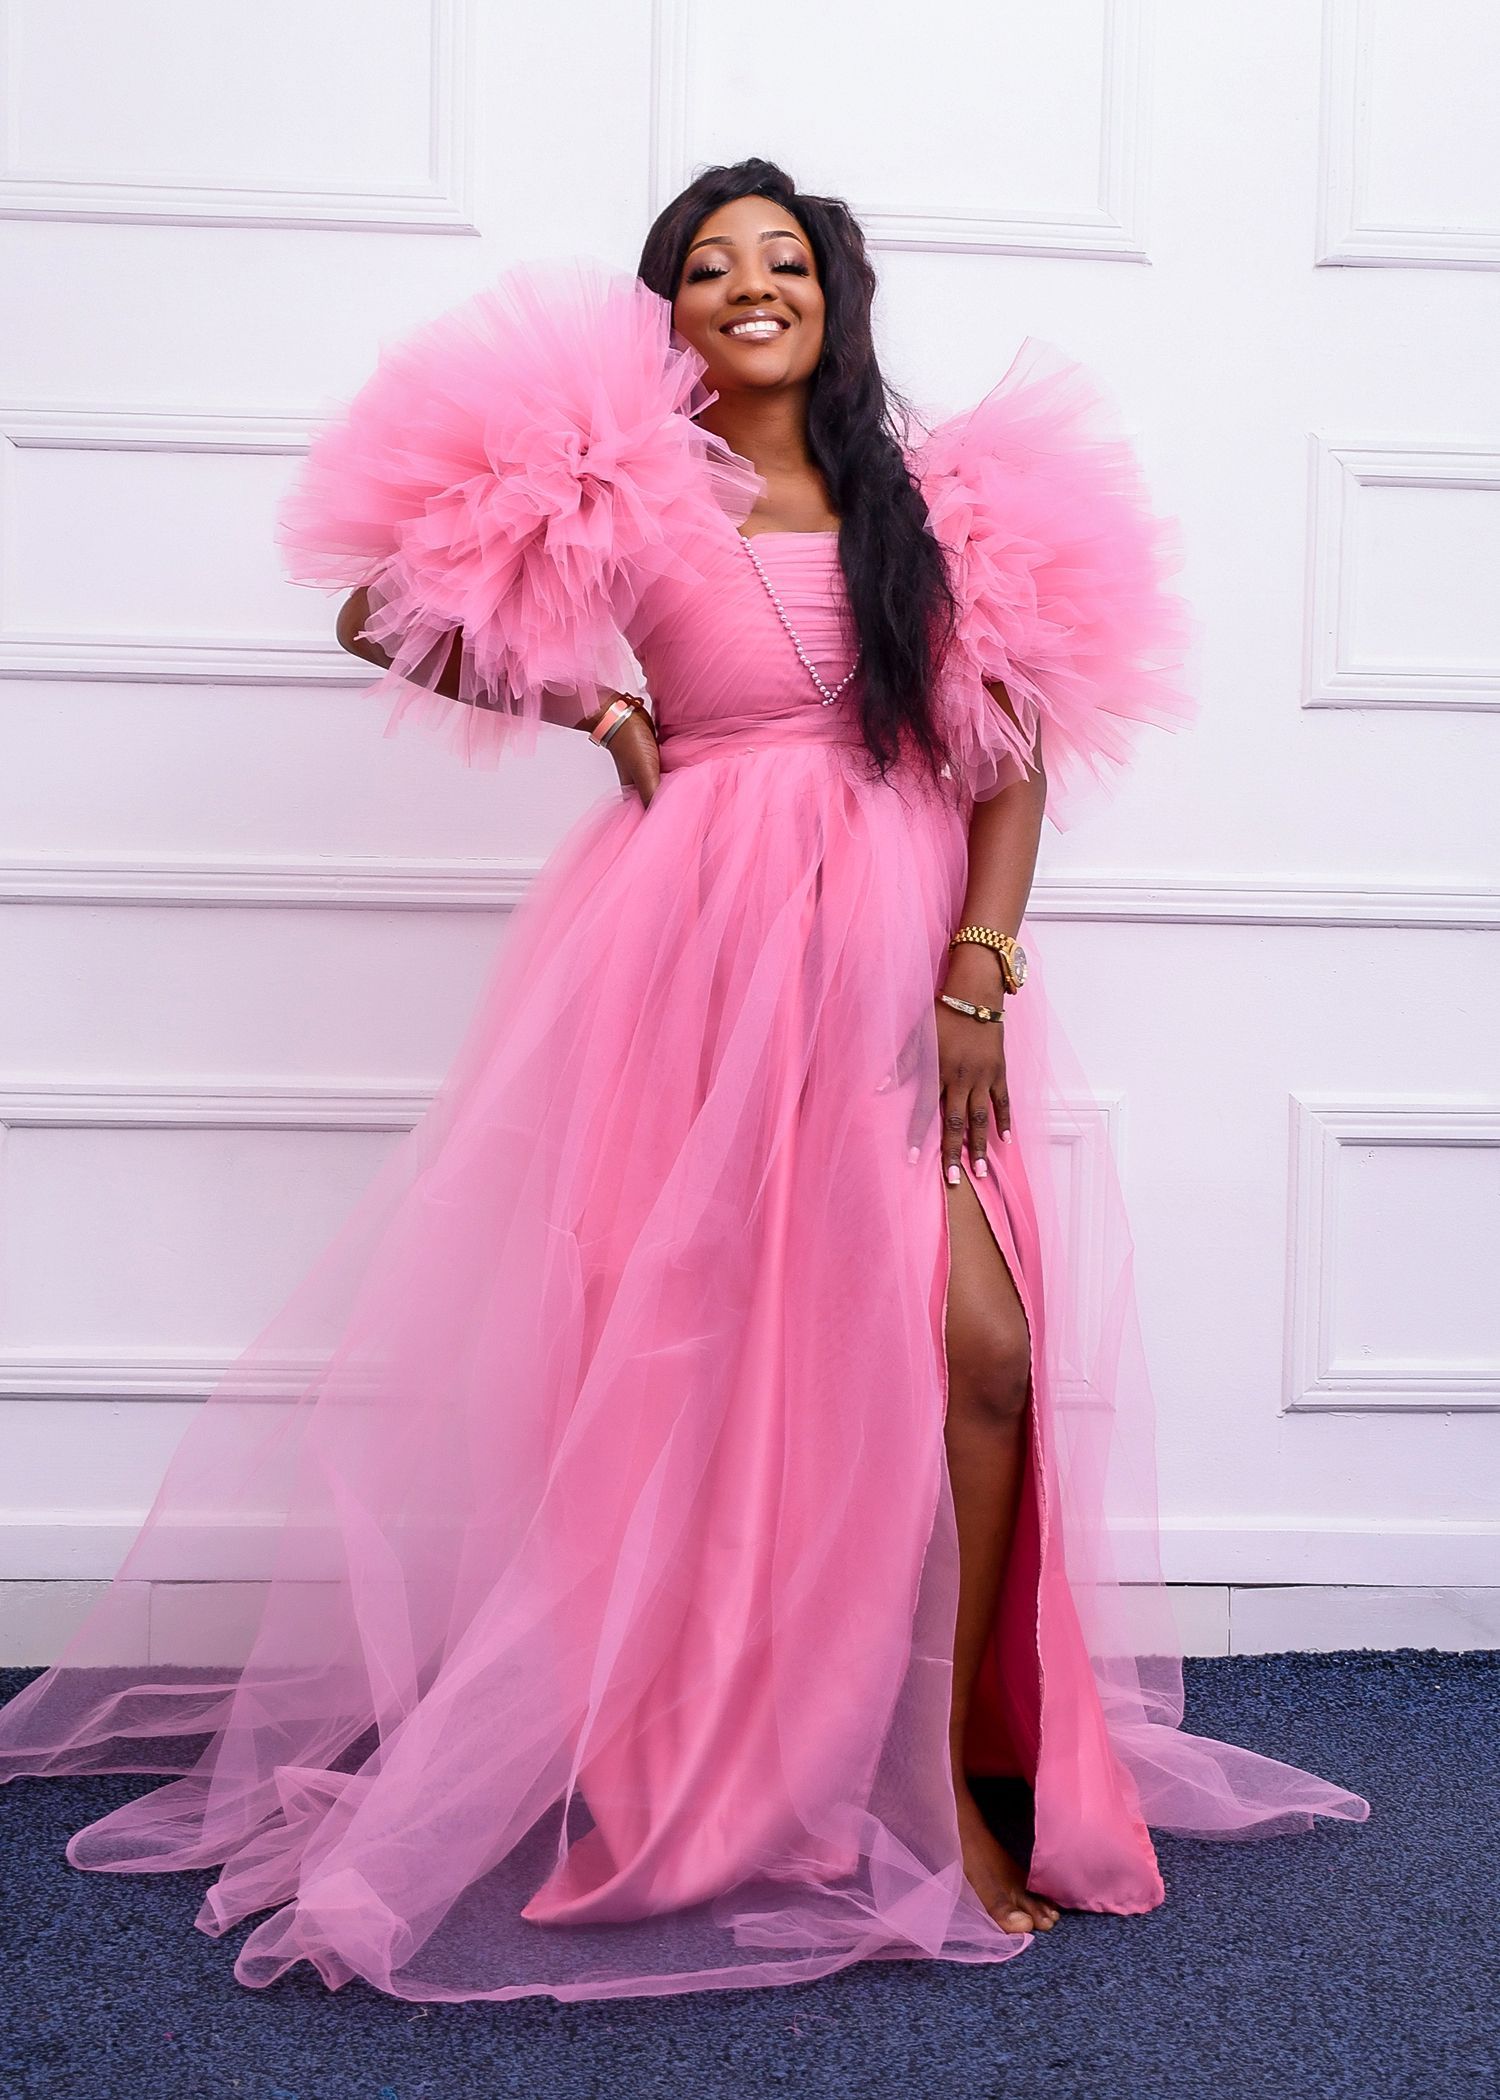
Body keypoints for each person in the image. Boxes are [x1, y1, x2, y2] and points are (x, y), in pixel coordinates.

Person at [0, 159, 1369, 2004]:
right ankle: (750, 1749)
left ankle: (974, 1770)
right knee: (724, 1346)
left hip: (900, 952)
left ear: (833, 296)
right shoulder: (628, 487)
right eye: (710, 265)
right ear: (669, 311)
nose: (750, 285)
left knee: (979, 1349)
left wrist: (978, 962)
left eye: (784, 260)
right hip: (697, 945)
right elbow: (383, 613)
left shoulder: (932, 501)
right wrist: (596, 704)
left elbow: (1013, 751)